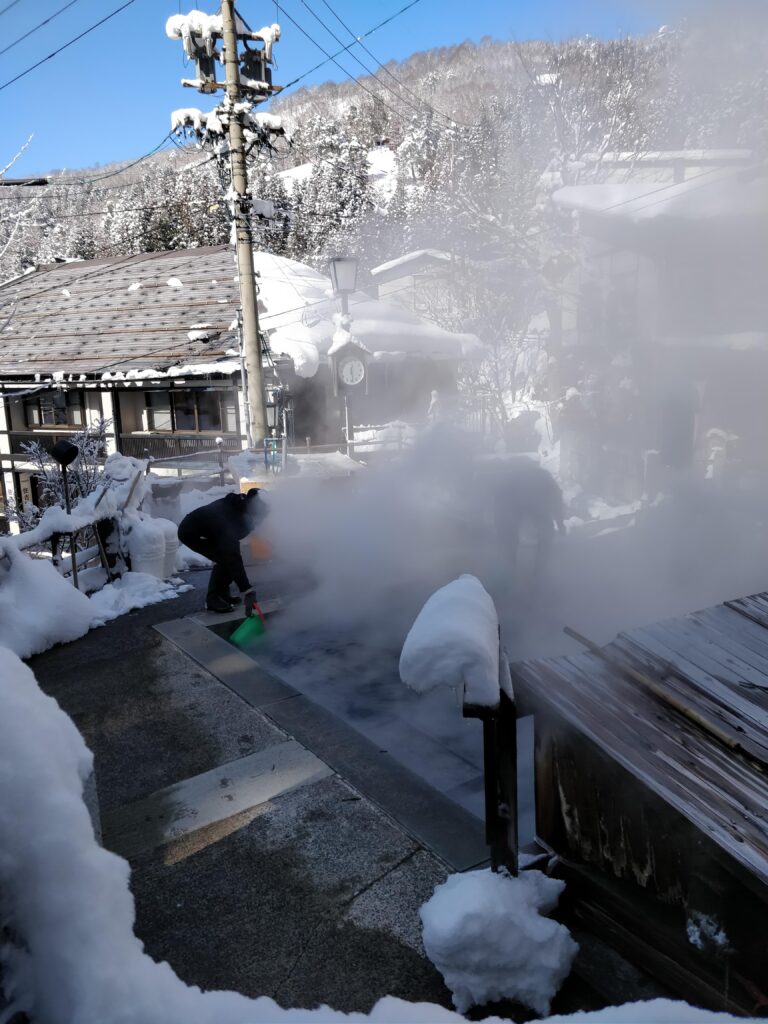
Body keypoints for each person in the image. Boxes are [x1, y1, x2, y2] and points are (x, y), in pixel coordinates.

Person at [177, 488, 265, 613]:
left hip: (210, 531)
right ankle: (213, 599)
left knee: (228, 559)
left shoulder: (242, 507)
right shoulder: (231, 518)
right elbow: (233, 556)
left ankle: (223, 594)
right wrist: (247, 590)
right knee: (226, 559)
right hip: (191, 533)